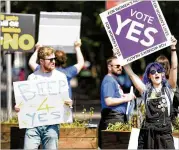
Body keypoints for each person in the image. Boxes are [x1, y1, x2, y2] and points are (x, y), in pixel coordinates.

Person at [15, 46, 72, 149]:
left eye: (54, 59)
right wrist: (19, 107)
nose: (53, 61)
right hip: (33, 124)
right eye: (50, 59)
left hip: (52, 125)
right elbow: (26, 101)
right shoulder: (32, 77)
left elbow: (65, 99)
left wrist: (69, 103)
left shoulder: (60, 77)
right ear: (41, 61)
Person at [124, 51, 178, 148]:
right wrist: (121, 58)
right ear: (149, 76)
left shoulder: (169, 89)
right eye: (153, 72)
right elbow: (132, 75)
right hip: (148, 135)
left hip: (165, 135)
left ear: (162, 74)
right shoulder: (145, 90)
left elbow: (174, 67)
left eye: (159, 71)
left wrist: (173, 48)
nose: (156, 73)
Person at [98, 56, 135, 148]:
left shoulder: (114, 80)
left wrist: (125, 96)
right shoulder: (109, 81)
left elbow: (114, 97)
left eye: (121, 66)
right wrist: (126, 99)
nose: (120, 68)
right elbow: (109, 101)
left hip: (116, 118)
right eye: (117, 66)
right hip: (112, 119)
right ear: (109, 67)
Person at [155, 35, 179, 121]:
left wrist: (173, 47)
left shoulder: (169, 85)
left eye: (163, 68)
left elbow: (175, 67)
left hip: (166, 125)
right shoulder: (150, 86)